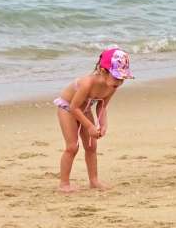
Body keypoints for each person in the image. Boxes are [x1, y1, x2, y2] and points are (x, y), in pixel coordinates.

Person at [54, 48, 134, 192]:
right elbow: (73, 108)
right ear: (103, 71)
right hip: (67, 108)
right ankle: (64, 183)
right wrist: (90, 126)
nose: (120, 81)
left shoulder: (112, 87)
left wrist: (103, 124)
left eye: (122, 78)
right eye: (117, 77)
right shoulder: (87, 83)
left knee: (91, 147)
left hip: (84, 109)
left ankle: (94, 180)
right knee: (72, 147)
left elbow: (102, 106)